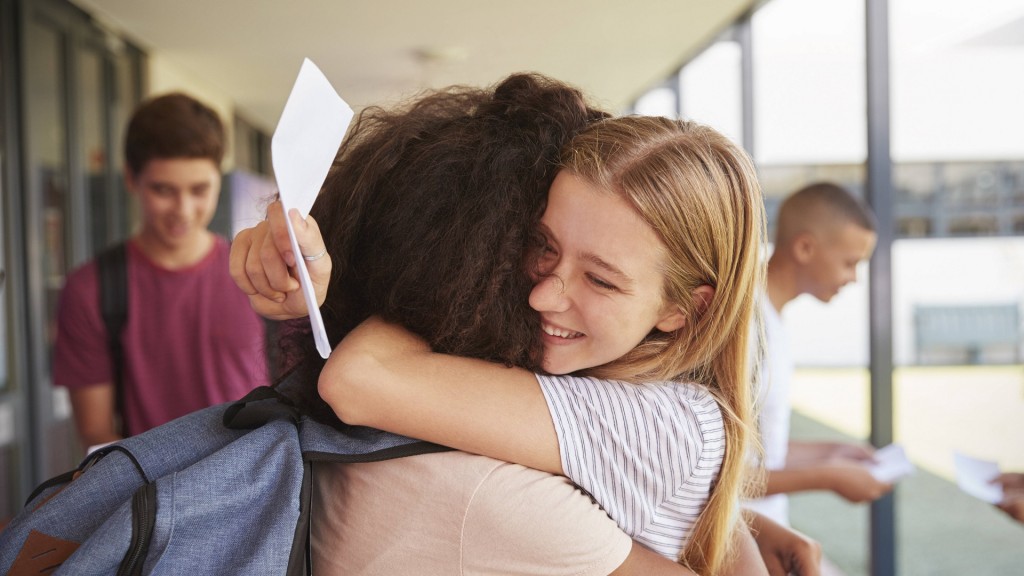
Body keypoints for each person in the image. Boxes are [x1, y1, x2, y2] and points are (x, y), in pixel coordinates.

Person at [235, 74, 818, 575]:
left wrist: (415, 263)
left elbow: (363, 380)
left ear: (685, 310)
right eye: (539, 245)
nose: (543, 294)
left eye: (603, 280)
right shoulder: (621, 393)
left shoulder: (663, 423)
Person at [53, 92, 268, 449]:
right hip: (150, 494)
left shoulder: (256, 275)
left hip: (255, 488)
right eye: (163, 190)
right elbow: (95, 432)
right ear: (131, 179)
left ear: (218, 179)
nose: (183, 209)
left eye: (199, 189)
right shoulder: (92, 289)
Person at [744, 181, 891, 574]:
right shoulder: (746, 329)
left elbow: (756, 450)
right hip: (742, 546)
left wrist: (832, 452)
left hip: (766, 538)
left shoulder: (771, 318)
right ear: (805, 248)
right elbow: (713, 475)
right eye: (849, 262)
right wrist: (827, 476)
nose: (854, 278)